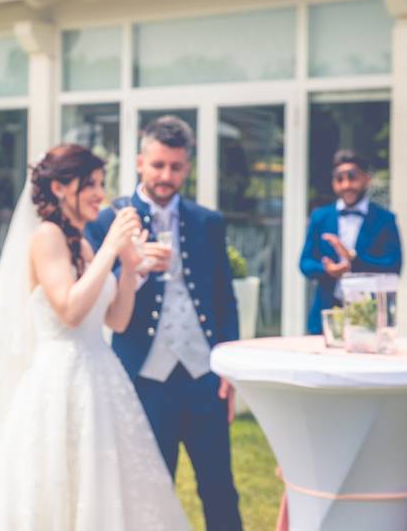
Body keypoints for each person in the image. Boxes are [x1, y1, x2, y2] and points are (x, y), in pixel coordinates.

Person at [0, 145, 189, 530]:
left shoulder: (85, 244)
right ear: (58, 187)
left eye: (101, 184)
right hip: (60, 377)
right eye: (89, 185)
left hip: (102, 377)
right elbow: (69, 310)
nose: (99, 195)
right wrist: (111, 249)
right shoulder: (47, 238)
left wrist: (129, 265)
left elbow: (117, 321)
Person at [85, 116, 243, 531]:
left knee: (219, 488)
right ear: (140, 162)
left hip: (204, 375)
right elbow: (95, 292)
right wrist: (132, 271)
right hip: (142, 375)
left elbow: (224, 299)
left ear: (186, 167)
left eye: (175, 167)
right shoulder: (109, 220)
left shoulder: (207, 222)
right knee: (152, 488)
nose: (166, 176)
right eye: (158, 165)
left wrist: (228, 368)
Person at [300, 150, 402, 334]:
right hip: (326, 313)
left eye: (352, 177)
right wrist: (328, 269)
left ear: (366, 179)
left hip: (370, 316)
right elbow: (305, 263)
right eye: (339, 179)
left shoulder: (384, 219)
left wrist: (354, 260)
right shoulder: (321, 217)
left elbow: (394, 264)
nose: (346, 184)